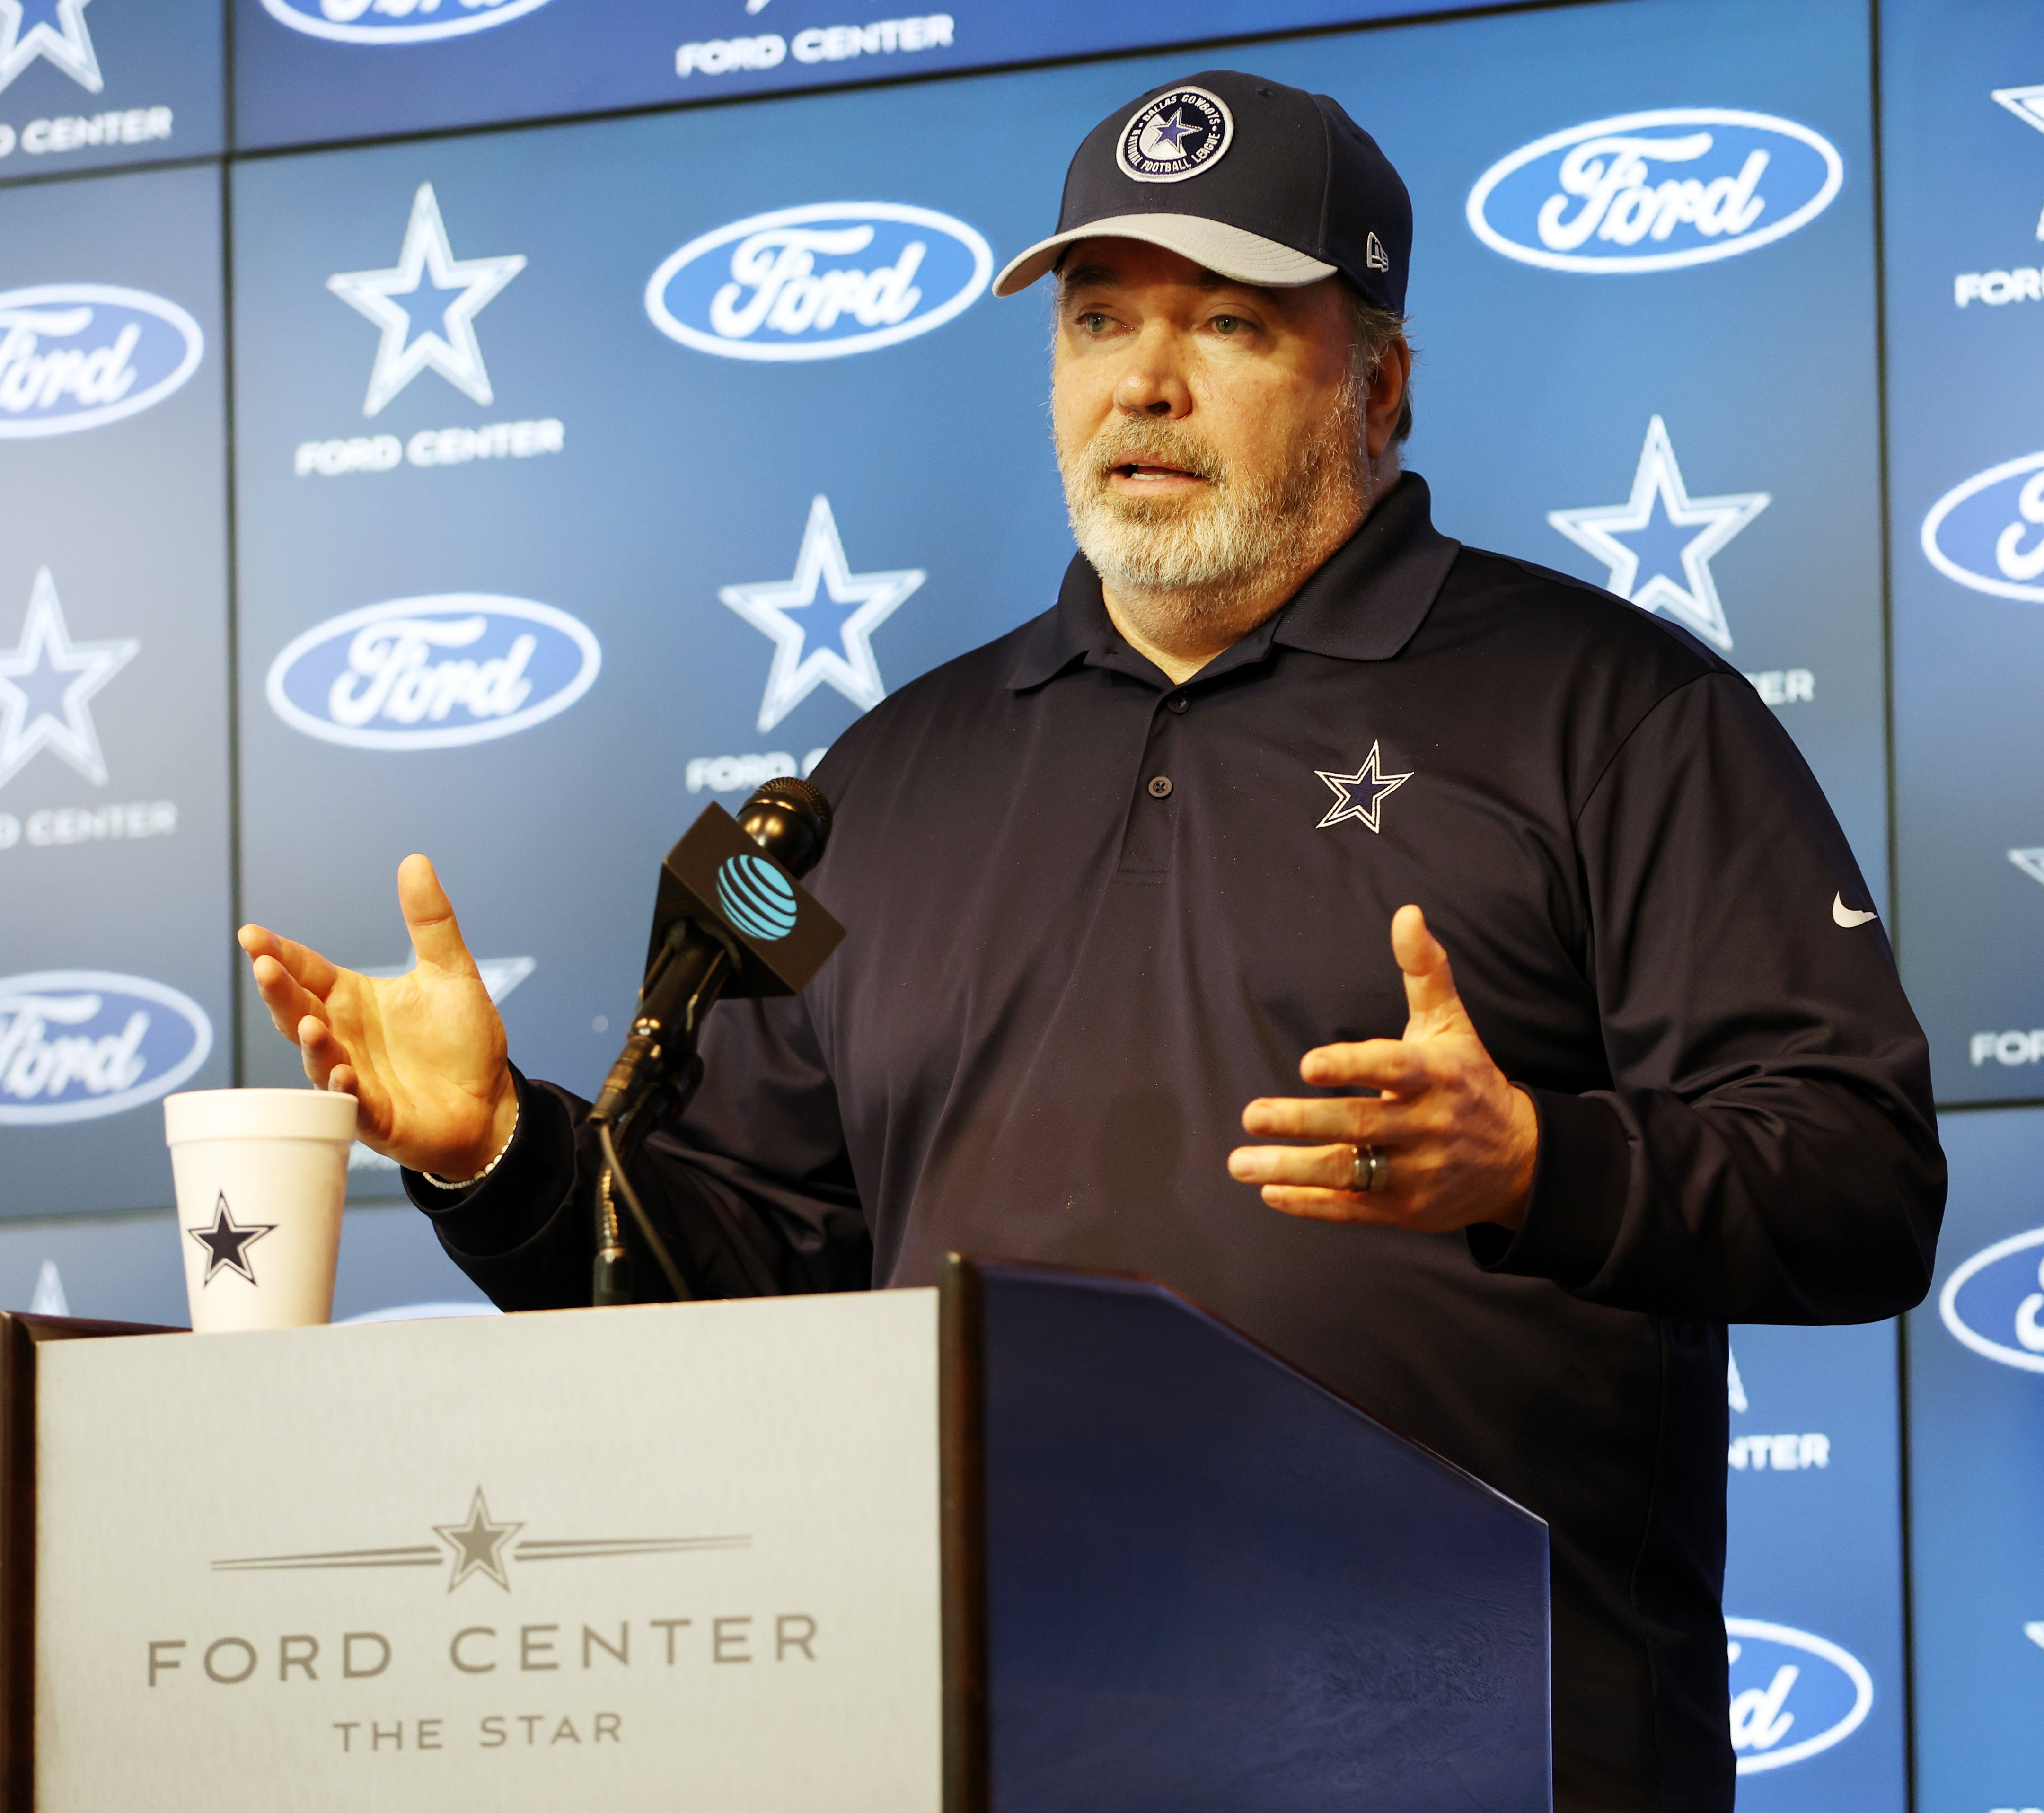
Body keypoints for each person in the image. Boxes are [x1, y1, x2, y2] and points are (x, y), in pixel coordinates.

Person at [239, 70, 1946, 1812]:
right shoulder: (874, 783)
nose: (1143, 377)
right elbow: (733, 1290)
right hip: (973, 1746)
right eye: (1098, 318)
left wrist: (1534, 1160)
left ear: (1382, 383)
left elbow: (1860, 1185)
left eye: (1227, 322)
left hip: (1483, 1751)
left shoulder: (1620, 711)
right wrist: (496, 1151)